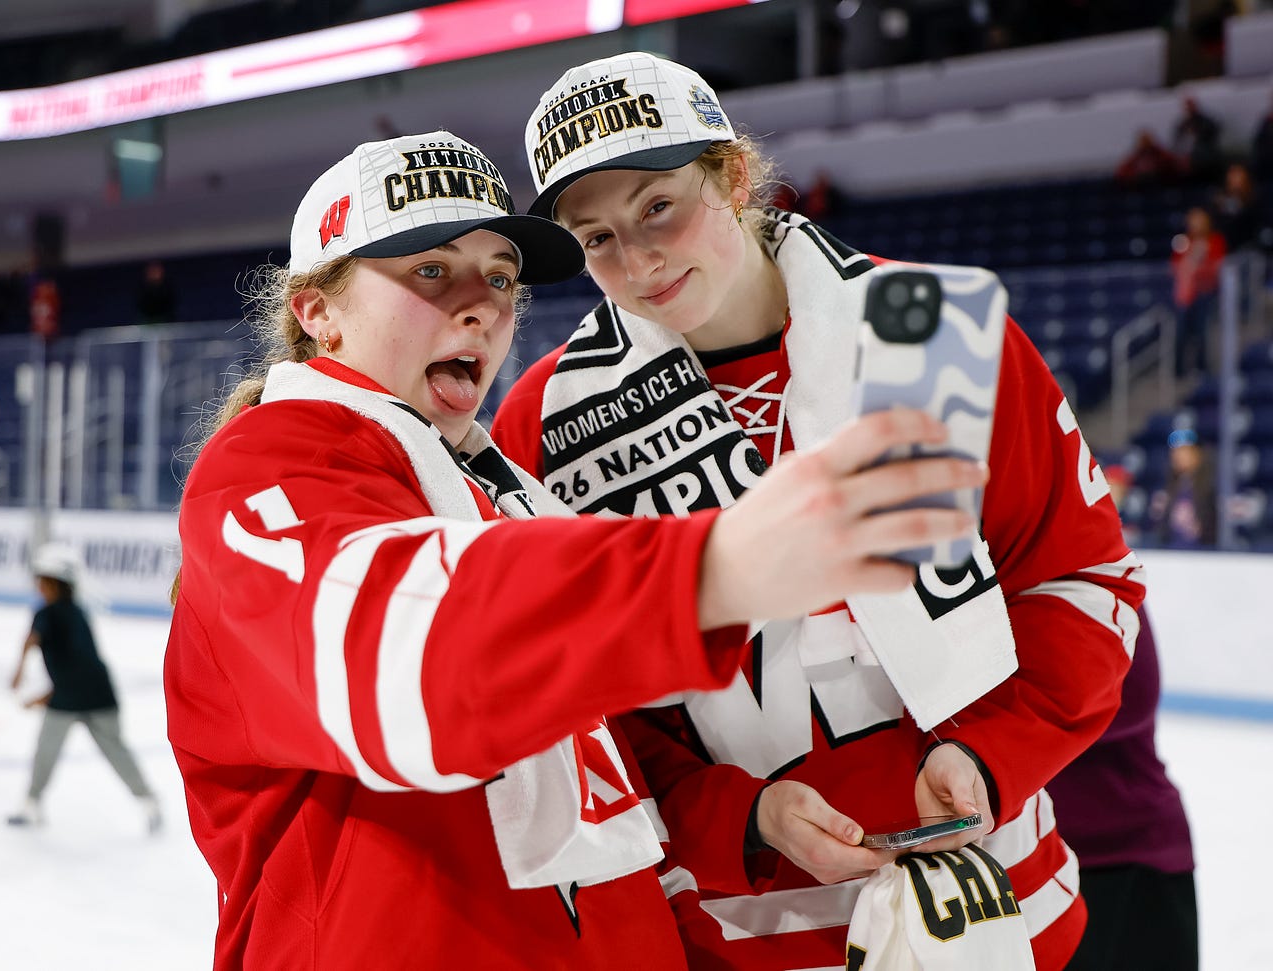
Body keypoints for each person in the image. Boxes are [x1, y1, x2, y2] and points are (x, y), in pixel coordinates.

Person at [162, 129, 985, 969]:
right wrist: (709, 569)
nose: (481, 304)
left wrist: (745, 818)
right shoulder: (263, 469)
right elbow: (416, 659)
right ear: (318, 312)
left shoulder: (503, 496)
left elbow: (608, 801)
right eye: (431, 271)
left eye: (500, 276)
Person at [494, 52, 1145, 970]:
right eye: (596, 238)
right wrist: (742, 819)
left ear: (732, 175)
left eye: (657, 208)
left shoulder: (933, 332)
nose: (637, 261)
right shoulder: (547, 425)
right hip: (735, 939)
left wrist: (993, 754)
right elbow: (578, 715)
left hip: (998, 912)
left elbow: (1081, 578)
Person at [1047, 469, 1198, 970]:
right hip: (1040, 865)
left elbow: (1133, 703)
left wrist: (1016, 719)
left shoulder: (1104, 573)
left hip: (1135, 853)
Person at [8, 542, 161, 833]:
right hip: (99, 694)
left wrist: (31, 685)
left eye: (41, 579)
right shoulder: (76, 612)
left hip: (74, 695)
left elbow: (39, 643)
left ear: (53, 582)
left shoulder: (48, 615)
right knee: (115, 752)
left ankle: (31, 803)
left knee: (48, 751)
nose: (38, 585)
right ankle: (148, 800)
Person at [1170, 205, 1226, 376]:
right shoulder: (1183, 241)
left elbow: (1216, 268)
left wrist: (1197, 268)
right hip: (1186, 295)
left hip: (1206, 293)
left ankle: (1202, 368)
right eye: (1192, 221)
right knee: (1180, 332)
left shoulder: (1215, 240)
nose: (1195, 224)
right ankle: (1178, 370)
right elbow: (1175, 267)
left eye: (1199, 220)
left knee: (1202, 332)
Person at [1147, 427, 1218, 548]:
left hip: (1202, 556)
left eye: (1184, 451)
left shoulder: (1211, 487)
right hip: (1173, 554)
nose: (1177, 456)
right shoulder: (1170, 486)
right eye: (1175, 451)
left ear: (1197, 454)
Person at [1171, 96, 1223, 183]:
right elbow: (1177, 143)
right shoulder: (1182, 125)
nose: (1189, 108)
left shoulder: (1205, 122)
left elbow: (1212, 134)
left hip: (1204, 160)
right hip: (1187, 161)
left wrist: (1198, 133)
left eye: (1191, 105)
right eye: (1187, 106)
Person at [1113, 129, 1187, 188]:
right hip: (1141, 187)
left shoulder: (1160, 154)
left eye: (1147, 141)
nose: (1145, 144)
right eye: (1143, 142)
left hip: (1161, 184)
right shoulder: (1136, 157)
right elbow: (1121, 173)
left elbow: (1175, 166)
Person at [136, 259, 178, 324]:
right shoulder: (142, 290)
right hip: (147, 321)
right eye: (152, 271)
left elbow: (170, 306)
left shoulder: (167, 288)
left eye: (157, 271)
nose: (154, 273)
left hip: (166, 321)